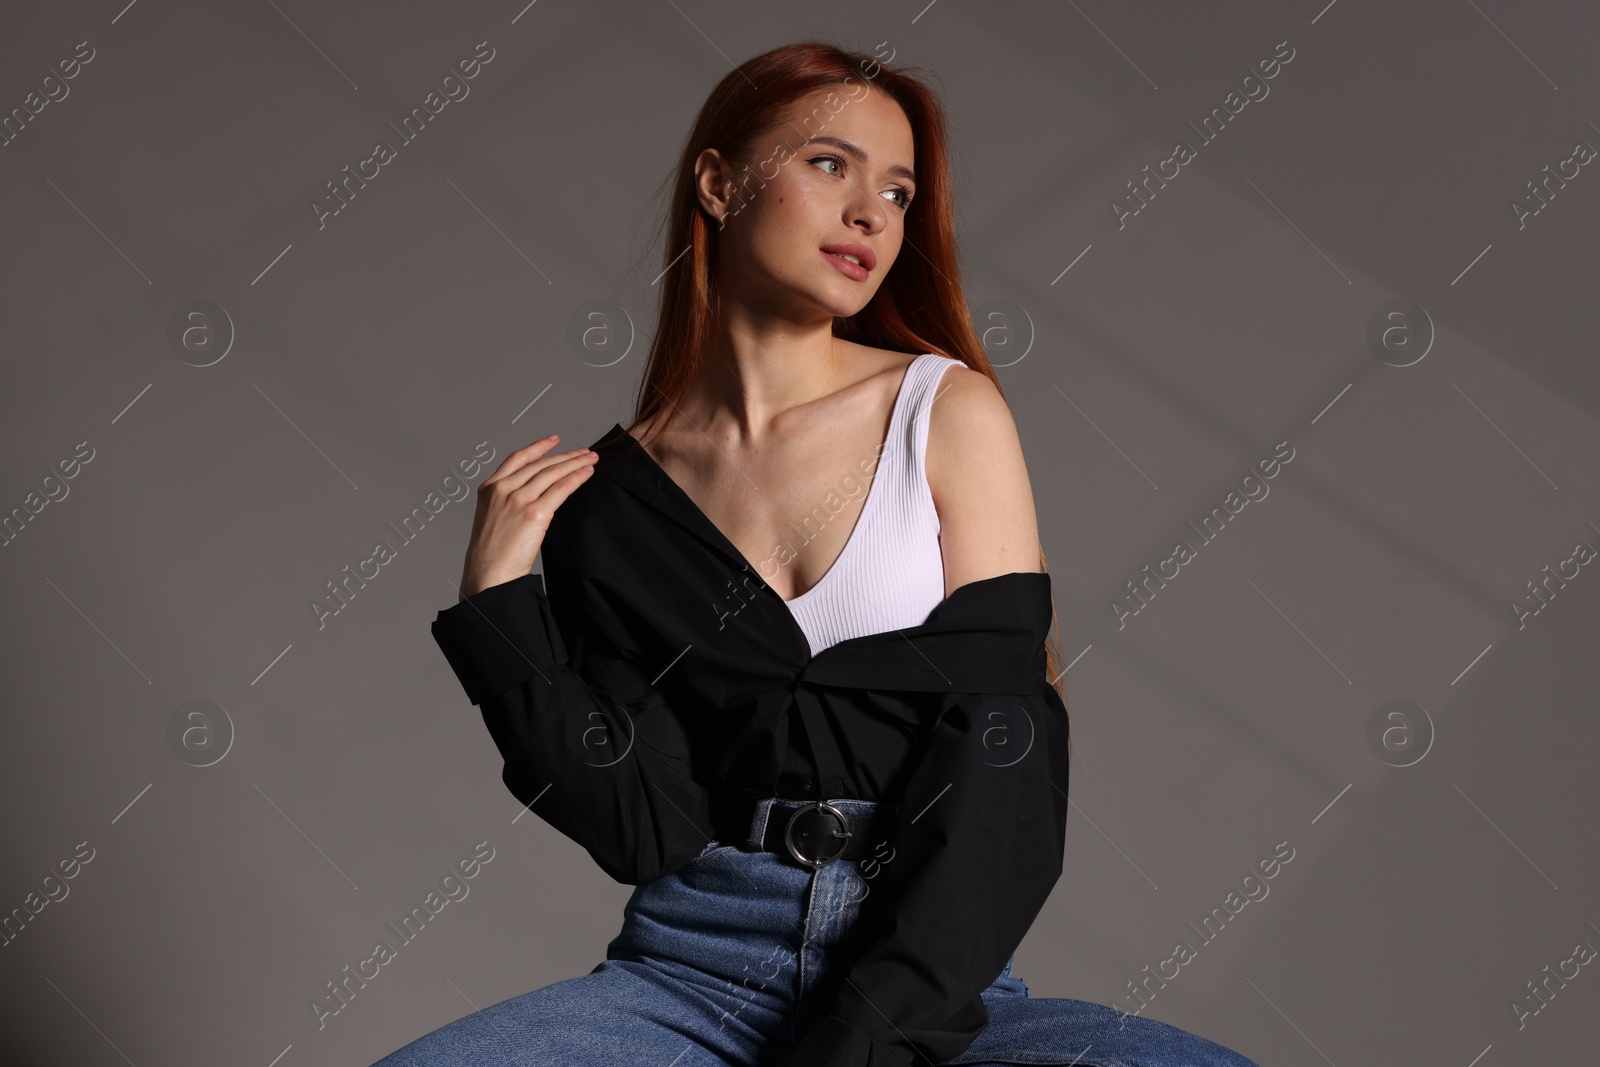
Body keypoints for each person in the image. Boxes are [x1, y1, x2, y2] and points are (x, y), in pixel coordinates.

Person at [373, 40, 1260, 1067]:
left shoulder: (943, 408)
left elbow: (1006, 749)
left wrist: (863, 1035)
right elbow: (643, 825)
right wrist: (499, 609)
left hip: (926, 966)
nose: (873, 213)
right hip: (691, 970)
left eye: (897, 188)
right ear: (718, 183)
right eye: (830, 164)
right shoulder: (608, 505)